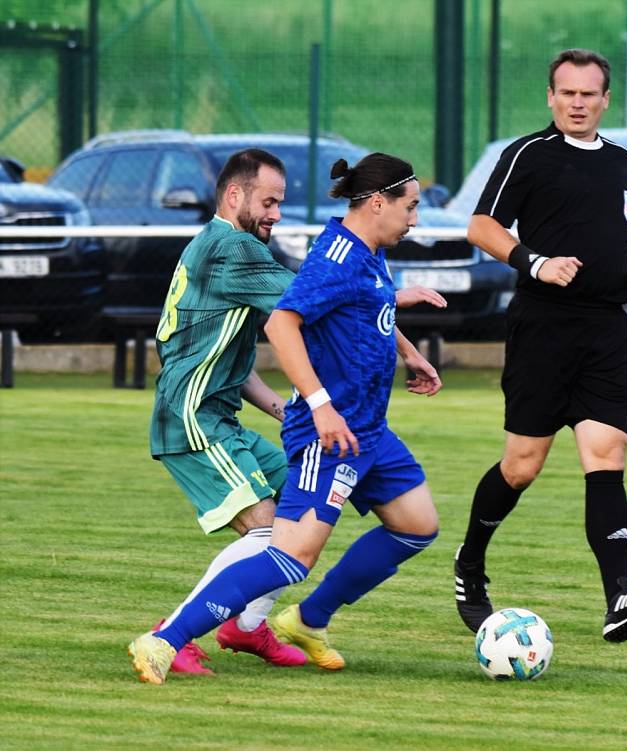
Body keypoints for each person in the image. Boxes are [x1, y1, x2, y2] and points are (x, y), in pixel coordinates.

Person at [129, 151, 443, 684]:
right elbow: (288, 321)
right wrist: (317, 407)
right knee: (284, 548)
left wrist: (406, 351)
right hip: (231, 419)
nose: (416, 218)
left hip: (363, 427)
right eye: (411, 206)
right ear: (376, 203)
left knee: (417, 527)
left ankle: (304, 620)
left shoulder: (366, 252)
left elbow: (358, 312)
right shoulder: (253, 251)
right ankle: (169, 637)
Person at [453, 49, 627, 644]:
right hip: (543, 326)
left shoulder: (626, 165)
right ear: (551, 97)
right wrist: (536, 261)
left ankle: (619, 596)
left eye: (588, 94)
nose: (577, 103)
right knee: (523, 466)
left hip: (605, 328)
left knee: (607, 452)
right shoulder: (527, 154)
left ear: (605, 100)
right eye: (567, 93)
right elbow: (482, 228)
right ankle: (470, 564)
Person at [144, 147, 307, 674]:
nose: (276, 214)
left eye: (280, 204)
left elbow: (217, 361)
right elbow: (308, 299)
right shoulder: (231, 249)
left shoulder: (215, 248)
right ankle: (172, 635)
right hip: (193, 420)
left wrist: (279, 407)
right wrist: (388, 295)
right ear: (234, 195)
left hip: (216, 416)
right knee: (266, 534)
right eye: (269, 201)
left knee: (303, 510)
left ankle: (248, 626)